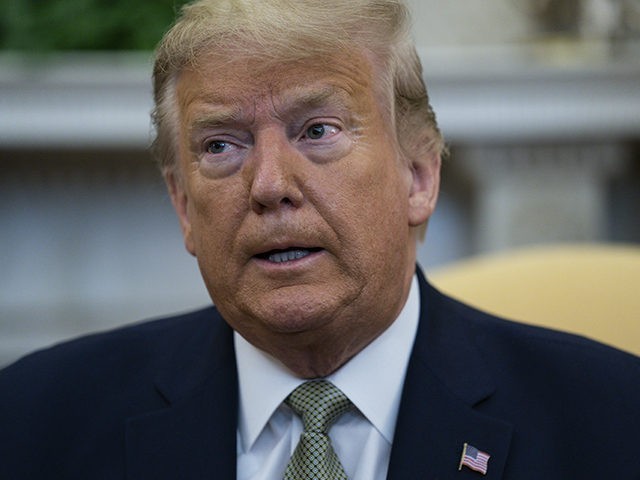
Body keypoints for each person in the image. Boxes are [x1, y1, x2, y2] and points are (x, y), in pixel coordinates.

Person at [1, 0, 638, 478]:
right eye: (222, 145)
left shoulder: (611, 423)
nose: (270, 185)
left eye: (318, 131)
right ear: (183, 206)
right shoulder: (34, 423)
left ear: (417, 174)